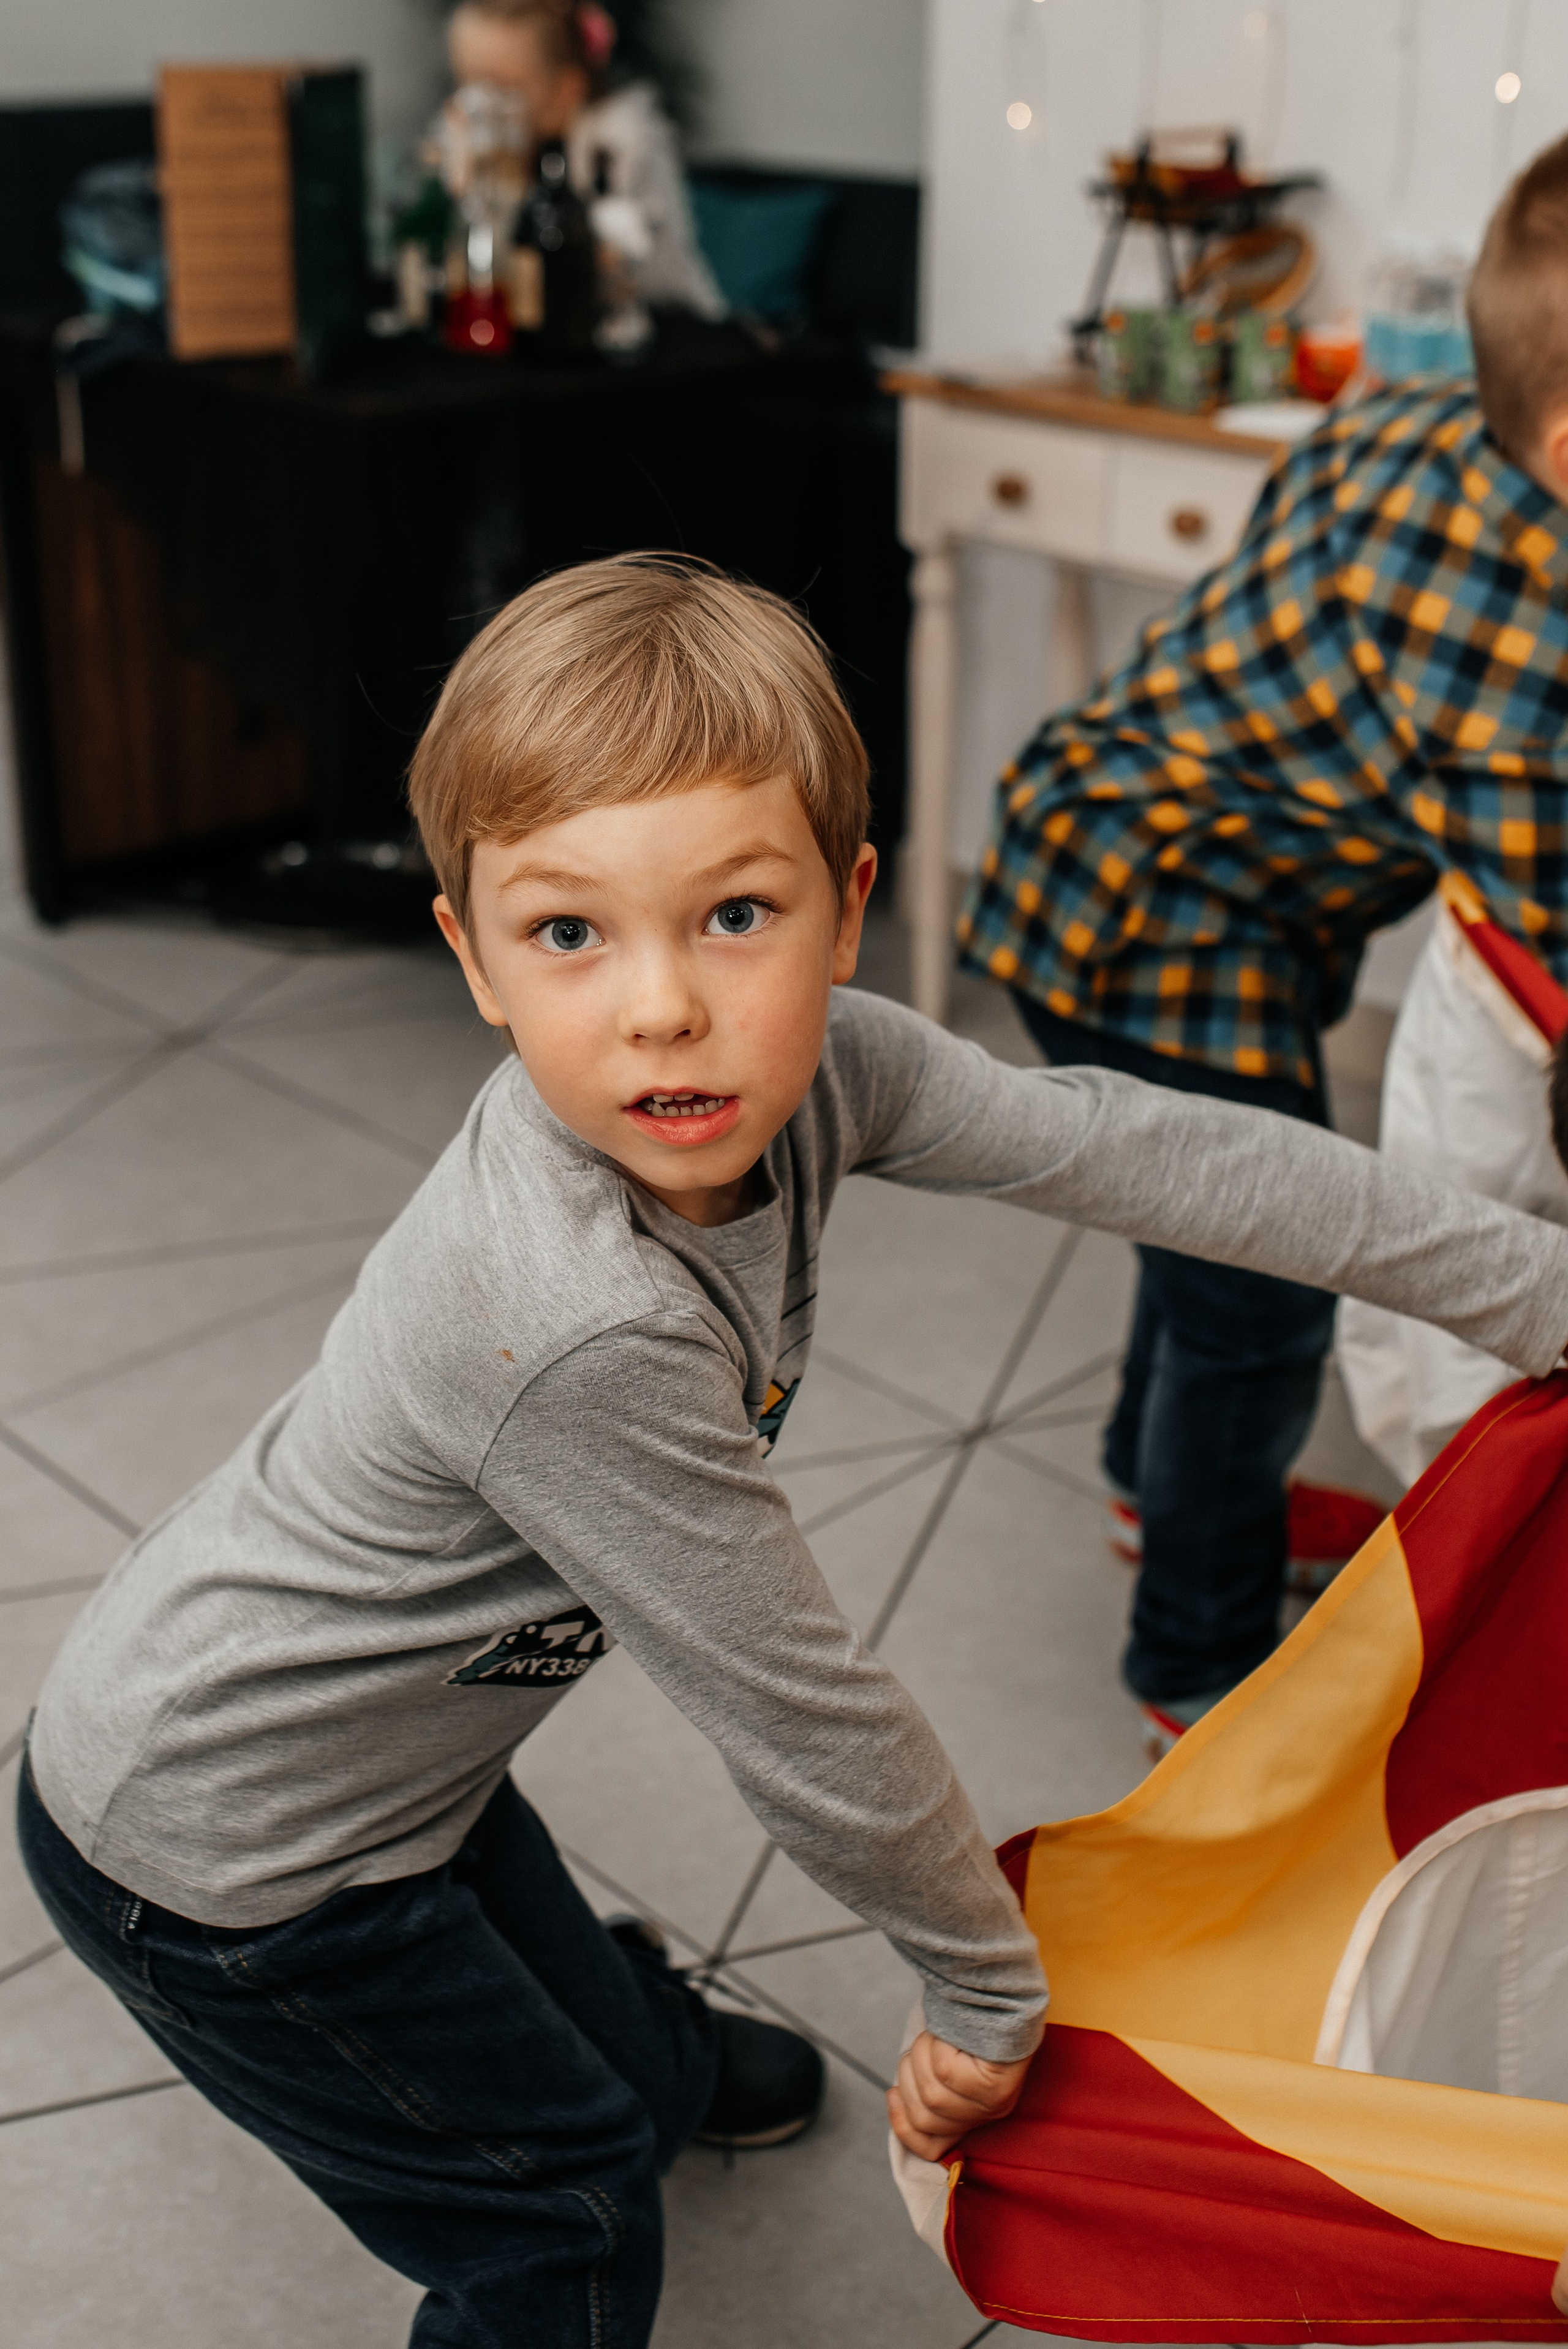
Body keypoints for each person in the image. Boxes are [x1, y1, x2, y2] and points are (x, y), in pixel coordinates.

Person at [21, 554, 1568, 2349]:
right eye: (569, 934)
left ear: (845, 911)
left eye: (732, 916)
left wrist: (1532, 1288)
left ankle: (643, 2053)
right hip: (224, 1856)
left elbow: (1158, 1153)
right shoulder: (574, 1321)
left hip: (395, 1765)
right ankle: (610, 2126)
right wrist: (985, 1997)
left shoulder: (834, 1068)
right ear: (471, 957)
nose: (663, 1007)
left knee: (601, 2044)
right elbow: (801, 1714)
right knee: (565, 2209)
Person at [959, 130, 1568, 1759]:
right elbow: (1544, 933)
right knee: (1260, 1288)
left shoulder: (1409, 415)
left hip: (1083, 835)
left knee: (1194, 1221)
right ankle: (1197, 1657)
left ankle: (1148, 1495)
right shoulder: (1528, 657)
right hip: (1166, 930)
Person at [445, 0, 725, 317]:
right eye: (466, 83)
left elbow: (619, 261)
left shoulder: (621, 144)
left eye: (501, 87)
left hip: (673, 326)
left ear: (567, 90)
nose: (477, 104)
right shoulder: (492, 157)